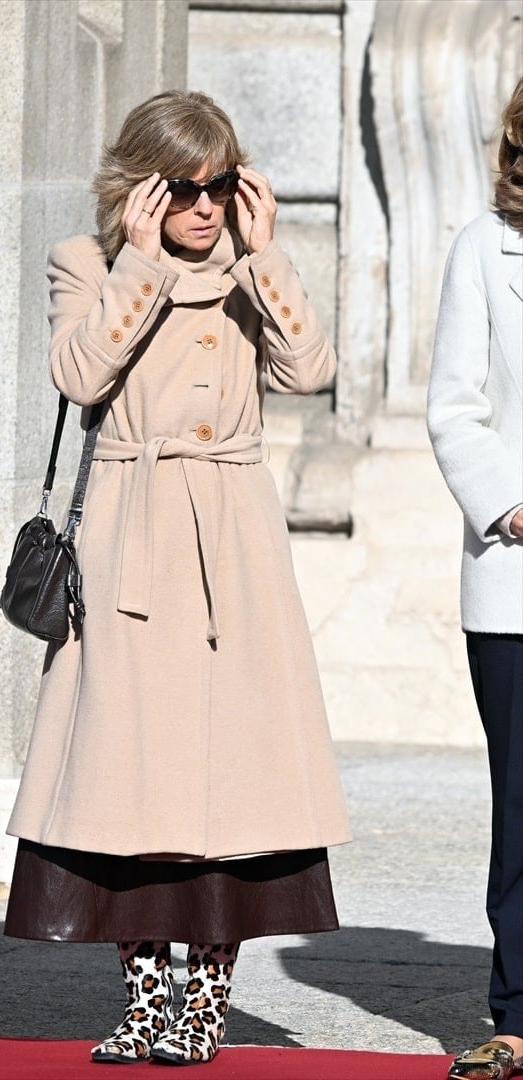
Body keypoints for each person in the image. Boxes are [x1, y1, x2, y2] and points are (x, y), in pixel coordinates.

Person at [3, 89, 350, 1067]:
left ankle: (206, 1004)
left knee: (228, 784)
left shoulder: (250, 272)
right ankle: (142, 997)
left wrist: (269, 251)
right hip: (129, 546)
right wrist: (142, 265)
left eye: (221, 185)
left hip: (231, 548)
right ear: (145, 187)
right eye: (187, 188)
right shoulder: (88, 264)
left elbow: (311, 368)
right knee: (128, 784)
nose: (207, 206)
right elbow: (80, 375)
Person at [427, 77, 523, 1080]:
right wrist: (513, 506)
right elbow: (455, 406)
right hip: (519, 582)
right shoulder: (482, 248)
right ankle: (518, 1013)